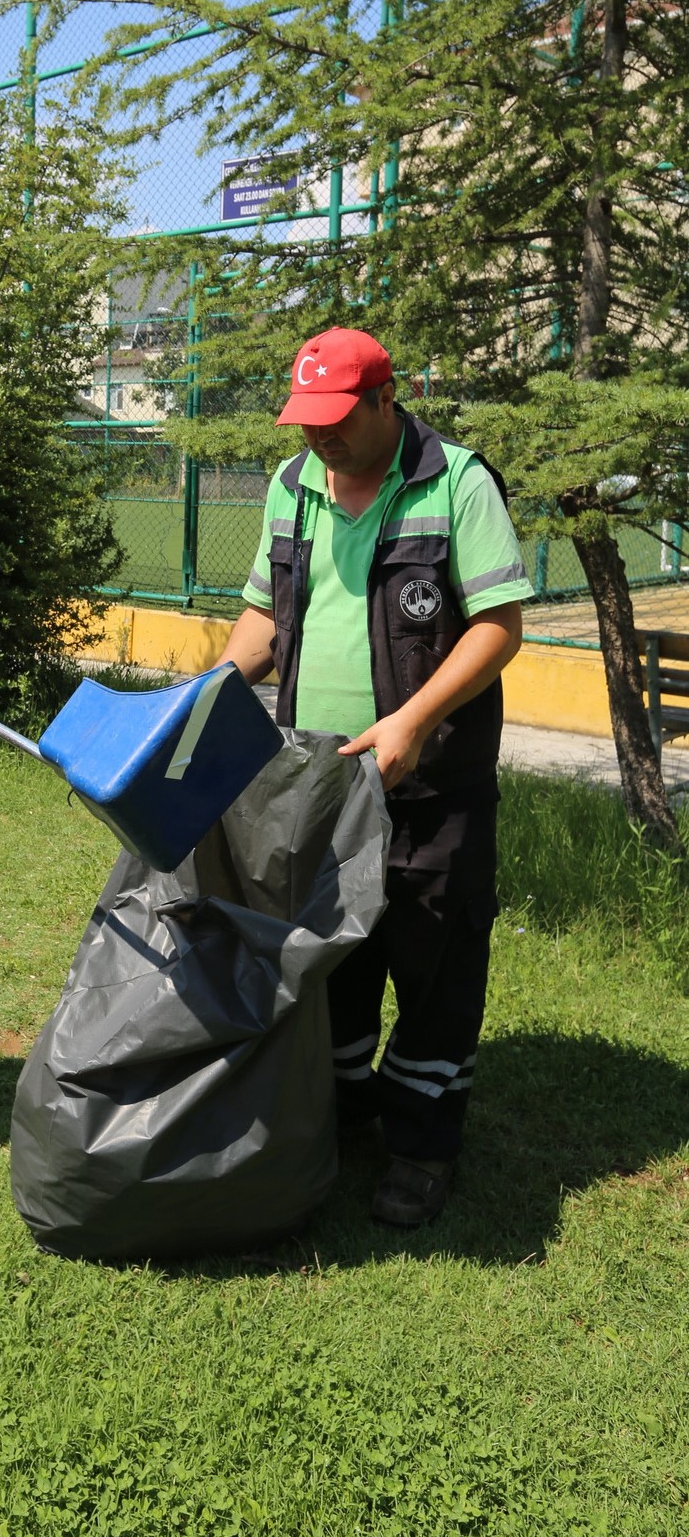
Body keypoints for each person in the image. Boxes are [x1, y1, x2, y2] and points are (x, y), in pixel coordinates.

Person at [219, 327, 531, 1226]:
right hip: (316, 781)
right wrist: (212, 685)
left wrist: (412, 720)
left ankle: (420, 1149)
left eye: (337, 419)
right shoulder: (290, 485)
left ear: (385, 398)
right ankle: (343, 1109)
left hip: (433, 791)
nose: (319, 437)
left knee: (433, 967)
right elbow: (262, 616)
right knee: (332, 960)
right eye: (305, 420)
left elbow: (498, 625)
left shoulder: (456, 482)